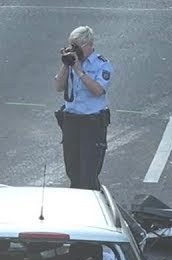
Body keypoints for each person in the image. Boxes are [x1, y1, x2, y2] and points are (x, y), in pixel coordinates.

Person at [53, 26, 114, 190]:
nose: (74, 51)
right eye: (71, 46)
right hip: (71, 121)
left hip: (92, 124)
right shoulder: (72, 62)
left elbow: (98, 90)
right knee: (73, 171)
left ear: (88, 44)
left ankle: (93, 206)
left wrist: (79, 71)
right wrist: (66, 65)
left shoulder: (102, 64)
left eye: (77, 47)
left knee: (88, 174)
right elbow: (59, 87)